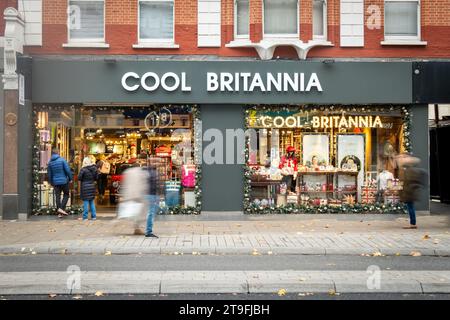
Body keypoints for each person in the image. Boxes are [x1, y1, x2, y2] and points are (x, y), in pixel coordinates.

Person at [395, 153, 427, 229]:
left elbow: (407, 182)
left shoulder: (409, 170)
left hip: (409, 193)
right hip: (409, 192)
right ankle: (413, 223)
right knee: (410, 207)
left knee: (410, 207)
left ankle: (413, 223)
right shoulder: (406, 169)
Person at [120, 163, 149, 235]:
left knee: (134, 210)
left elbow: (124, 184)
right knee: (140, 211)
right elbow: (144, 184)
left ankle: (136, 227)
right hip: (138, 194)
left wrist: (123, 195)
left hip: (130, 195)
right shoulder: (141, 172)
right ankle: (137, 227)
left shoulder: (127, 172)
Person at [47, 148, 73, 218]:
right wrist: (70, 178)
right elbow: (67, 170)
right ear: (58, 152)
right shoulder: (62, 160)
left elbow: (49, 174)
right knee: (66, 194)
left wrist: (51, 183)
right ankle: (61, 209)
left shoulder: (50, 162)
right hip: (64, 181)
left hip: (55, 182)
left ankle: (59, 213)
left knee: (57, 196)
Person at [78, 157, 98, 221]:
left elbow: (79, 178)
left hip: (85, 187)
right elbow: (96, 177)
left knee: (86, 202)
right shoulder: (94, 169)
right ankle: (94, 216)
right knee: (92, 202)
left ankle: (85, 217)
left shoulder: (83, 169)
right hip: (92, 186)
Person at [144, 164, 161, 238]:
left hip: (148, 195)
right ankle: (148, 231)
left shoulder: (147, 173)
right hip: (151, 195)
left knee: (150, 212)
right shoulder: (153, 174)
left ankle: (148, 230)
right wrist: (157, 196)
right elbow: (155, 186)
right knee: (151, 213)